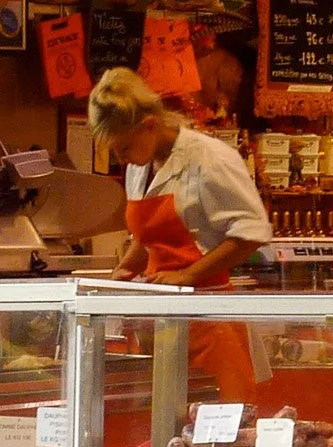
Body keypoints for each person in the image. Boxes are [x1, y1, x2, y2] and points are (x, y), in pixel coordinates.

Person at [89, 67, 271, 398]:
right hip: (164, 318)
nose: (121, 158)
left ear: (149, 125)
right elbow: (150, 234)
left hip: (211, 319)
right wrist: (127, 268)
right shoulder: (139, 167)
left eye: (124, 148)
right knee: (167, 426)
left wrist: (186, 275)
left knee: (220, 430)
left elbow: (252, 233)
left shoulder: (210, 159)